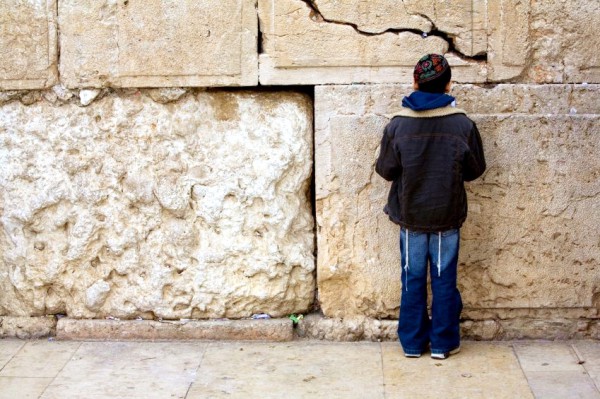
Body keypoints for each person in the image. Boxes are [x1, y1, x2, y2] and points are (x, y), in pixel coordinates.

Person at [375, 54, 486, 359]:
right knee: (444, 278)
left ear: (414, 83)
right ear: (448, 85)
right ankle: (443, 344)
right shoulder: (462, 124)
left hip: (411, 217)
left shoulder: (398, 125)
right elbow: (476, 170)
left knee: (411, 278)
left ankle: (412, 343)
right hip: (446, 217)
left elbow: (386, 170)